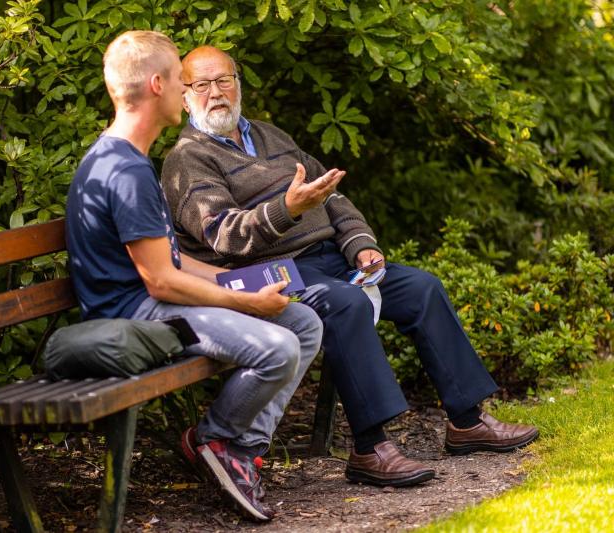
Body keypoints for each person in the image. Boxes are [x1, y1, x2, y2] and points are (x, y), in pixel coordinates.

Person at [161, 45, 539, 488]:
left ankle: (467, 421)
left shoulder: (270, 135)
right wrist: (287, 209)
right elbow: (225, 235)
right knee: (346, 304)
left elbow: (332, 195)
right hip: (272, 272)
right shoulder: (188, 159)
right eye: (201, 85)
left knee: (422, 288)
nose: (215, 93)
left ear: (238, 84)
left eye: (223, 80)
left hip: (332, 258)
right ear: (184, 96)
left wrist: (360, 245)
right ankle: (370, 448)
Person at [65, 32, 323, 521]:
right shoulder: (124, 170)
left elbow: (173, 262)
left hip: (157, 302)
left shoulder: (129, 158)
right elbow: (161, 283)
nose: (188, 91)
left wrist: (238, 279)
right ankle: (214, 441)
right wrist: (247, 303)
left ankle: (240, 450)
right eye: (181, 81)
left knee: (303, 322)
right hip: (138, 318)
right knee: (278, 347)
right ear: (158, 85)